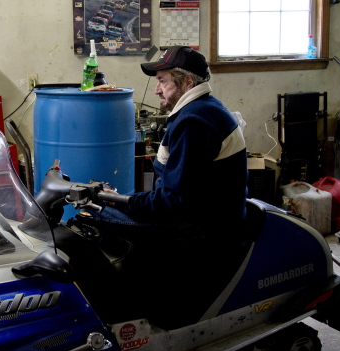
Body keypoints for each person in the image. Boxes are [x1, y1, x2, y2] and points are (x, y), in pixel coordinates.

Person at [80, 46, 250, 327]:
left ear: (187, 83)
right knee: (108, 212)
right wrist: (125, 199)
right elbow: (176, 192)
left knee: (99, 220)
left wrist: (122, 200)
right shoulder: (203, 109)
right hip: (205, 212)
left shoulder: (194, 122)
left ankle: (137, 317)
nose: (157, 90)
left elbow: (173, 200)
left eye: (163, 81)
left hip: (204, 227)